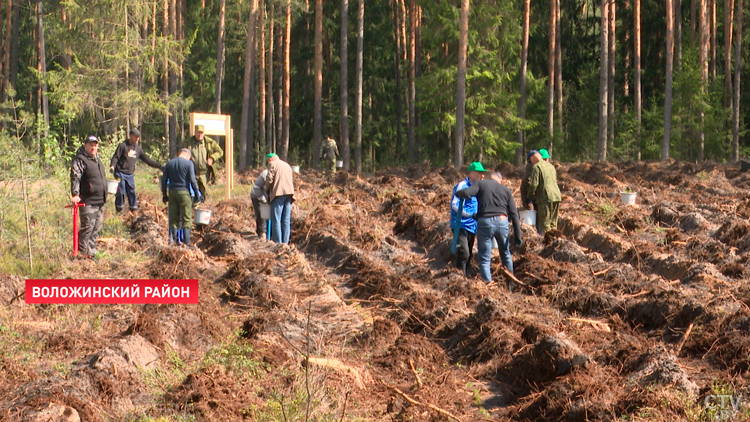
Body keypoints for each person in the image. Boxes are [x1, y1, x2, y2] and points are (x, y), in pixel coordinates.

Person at [456, 171, 522, 283]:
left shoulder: (481, 184)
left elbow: (466, 193)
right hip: (502, 221)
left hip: (485, 222)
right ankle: (511, 283)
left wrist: (459, 193)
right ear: (499, 180)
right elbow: (514, 214)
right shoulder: (506, 190)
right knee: (506, 254)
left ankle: (487, 283)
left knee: (485, 258)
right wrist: (518, 235)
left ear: (489, 178)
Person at [70, 135, 108, 260]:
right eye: (91, 144)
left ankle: (91, 254)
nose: (93, 147)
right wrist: (75, 194)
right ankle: (82, 255)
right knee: (87, 228)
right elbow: (76, 176)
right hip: (88, 202)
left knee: (96, 229)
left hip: (100, 201)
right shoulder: (80, 159)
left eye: (95, 145)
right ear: (85, 145)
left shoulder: (98, 160)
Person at [109, 128, 162, 212]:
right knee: (121, 191)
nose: (137, 139)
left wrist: (158, 166)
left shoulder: (138, 149)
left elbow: (146, 159)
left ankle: (133, 209)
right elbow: (116, 157)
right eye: (135, 137)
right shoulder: (123, 145)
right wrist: (112, 166)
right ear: (130, 136)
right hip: (120, 172)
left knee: (131, 191)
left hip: (130, 174)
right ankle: (119, 208)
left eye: (138, 137)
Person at [450, 162, 486, 275]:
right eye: (479, 173)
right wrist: (469, 214)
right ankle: (459, 275)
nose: (482, 176)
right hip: (460, 224)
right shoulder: (462, 186)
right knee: (464, 252)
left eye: (482, 173)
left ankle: (465, 274)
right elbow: (454, 205)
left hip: (473, 226)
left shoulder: (478, 188)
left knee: (469, 253)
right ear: (471, 173)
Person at [162, 149, 202, 246]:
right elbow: (192, 180)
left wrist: (164, 195)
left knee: (174, 219)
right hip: (184, 192)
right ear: (188, 155)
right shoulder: (189, 164)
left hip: (172, 192)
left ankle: (175, 242)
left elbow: (163, 181)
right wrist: (197, 193)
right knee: (186, 219)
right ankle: (187, 243)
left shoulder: (169, 163)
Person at [526, 150, 562, 233]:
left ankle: (548, 243)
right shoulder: (551, 166)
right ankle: (555, 242)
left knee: (545, 224)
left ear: (532, 158)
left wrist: (530, 196)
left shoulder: (536, 167)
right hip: (556, 196)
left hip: (545, 197)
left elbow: (534, 185)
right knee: (553, 224)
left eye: (530, 161)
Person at [186, 124, 223, 199]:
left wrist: (212, 158)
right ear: (195, 132)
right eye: (198, 132)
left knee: (204, 194)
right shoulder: (188, 142)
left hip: (204, 174)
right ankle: (194, 208)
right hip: (192, 173)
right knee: (192, 194)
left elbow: (220, 152)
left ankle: (203, 208)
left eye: (201, 133)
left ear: (204, 133)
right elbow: (182, 153)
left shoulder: (209, 142)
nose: (200, 135)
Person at [265, 153, 295, 244]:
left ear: (270, 159)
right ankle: (285, 243)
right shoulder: (287, 165)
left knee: (276, 220)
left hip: (278, 194)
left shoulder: (272, 164)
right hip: (289, 194)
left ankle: (278, 243)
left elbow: (269, 179)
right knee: (286, 220)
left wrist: (266, 189)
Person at [520, 149, 541, 234]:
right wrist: (532, 195)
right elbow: (529, 182)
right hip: (528, 194)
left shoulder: (535, 166)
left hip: (533, 193)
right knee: (530, 214)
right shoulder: (530, 167)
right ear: (531, 158)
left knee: (537, 215)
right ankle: (531, 234)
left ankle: (537, 232)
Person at [250, 168, 270, 239]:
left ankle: (267, 232)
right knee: (262, 213)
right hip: (256, 195)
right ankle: (262, 233)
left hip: (266, 195)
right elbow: (256, 188)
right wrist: (263, 200)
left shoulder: (278, 174)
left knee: (267, 214)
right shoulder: (265, 173)